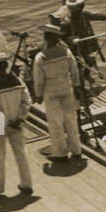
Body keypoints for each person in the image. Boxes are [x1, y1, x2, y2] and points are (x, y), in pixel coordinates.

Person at [0, 55, 33, 199]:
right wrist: (19, 119)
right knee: (21, 153)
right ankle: (26, 184)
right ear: (6, 66)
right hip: (16, 121)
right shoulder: (18, 81)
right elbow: (27, 101)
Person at [31, 24, 82, 162]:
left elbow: (39, 80)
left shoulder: (40, 57)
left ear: (46, 37)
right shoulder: (67, 52)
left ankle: (60, 153)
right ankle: (77, 150)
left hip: (50, 91)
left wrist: (38, 95)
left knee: (56, 123)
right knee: (71, 120)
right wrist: (76, 86)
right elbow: (74, 71)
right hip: (66, 88)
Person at [53, 0, 106, 78]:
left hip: (85, 43)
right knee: (77, 67)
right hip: (73, 47)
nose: (79, 13)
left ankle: (86, 75)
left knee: (91, 60)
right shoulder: (66, 22)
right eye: (77, 11)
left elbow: (98, 15)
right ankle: (80, 85)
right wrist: (69, 40)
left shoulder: (84, 14)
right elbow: (58, 37)